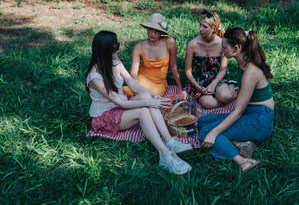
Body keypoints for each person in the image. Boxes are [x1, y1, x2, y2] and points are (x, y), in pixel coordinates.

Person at [85, 31, 192, 175]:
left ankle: (169, 140)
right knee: (143, 110)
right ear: (105, 50)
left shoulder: (115, 62)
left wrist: (154, 97)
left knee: (145, 95)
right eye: (116, 45)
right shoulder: (94, 77)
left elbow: (132, 84)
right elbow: (119, 103)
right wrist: (150, 103)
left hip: (120, 107)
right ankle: (164, 155)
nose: (120, 47)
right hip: (105, 116)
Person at [198, 27, 274, 172]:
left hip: (261, 120)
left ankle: (242, 161)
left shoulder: (250, 71)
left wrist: (213, 133)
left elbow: (238, 111)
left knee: (207, 132)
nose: (221, 50)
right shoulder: (243, 63)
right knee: (202, 121)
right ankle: (240, 144)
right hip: (251, 113)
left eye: (224, 47)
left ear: (236, 48)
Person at [185, 10, 236, 109]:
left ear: (214, 29)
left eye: (204, 27)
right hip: (199, 82)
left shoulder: (222, 44)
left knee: (226, 96)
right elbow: (188, 71)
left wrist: (214, 84)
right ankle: (232, 97)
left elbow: (223, 69)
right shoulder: (192, 44)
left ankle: (232, 88)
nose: (200, 29)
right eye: (200, 25)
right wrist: (198, 87)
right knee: (209, 104)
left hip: (216, 80)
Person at [122, 13, 182, 97]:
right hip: (141, 79)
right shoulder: (138, 47)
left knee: (150, 96)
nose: (152, 33)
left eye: (156, 31)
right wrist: (135, 87)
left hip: (158, 84)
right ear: (147, 29)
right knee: (125, 93)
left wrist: (180, 87)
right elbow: (133, 73)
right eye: (150, 29)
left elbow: (174, 66)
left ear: (161, 32)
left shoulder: (169, 42)